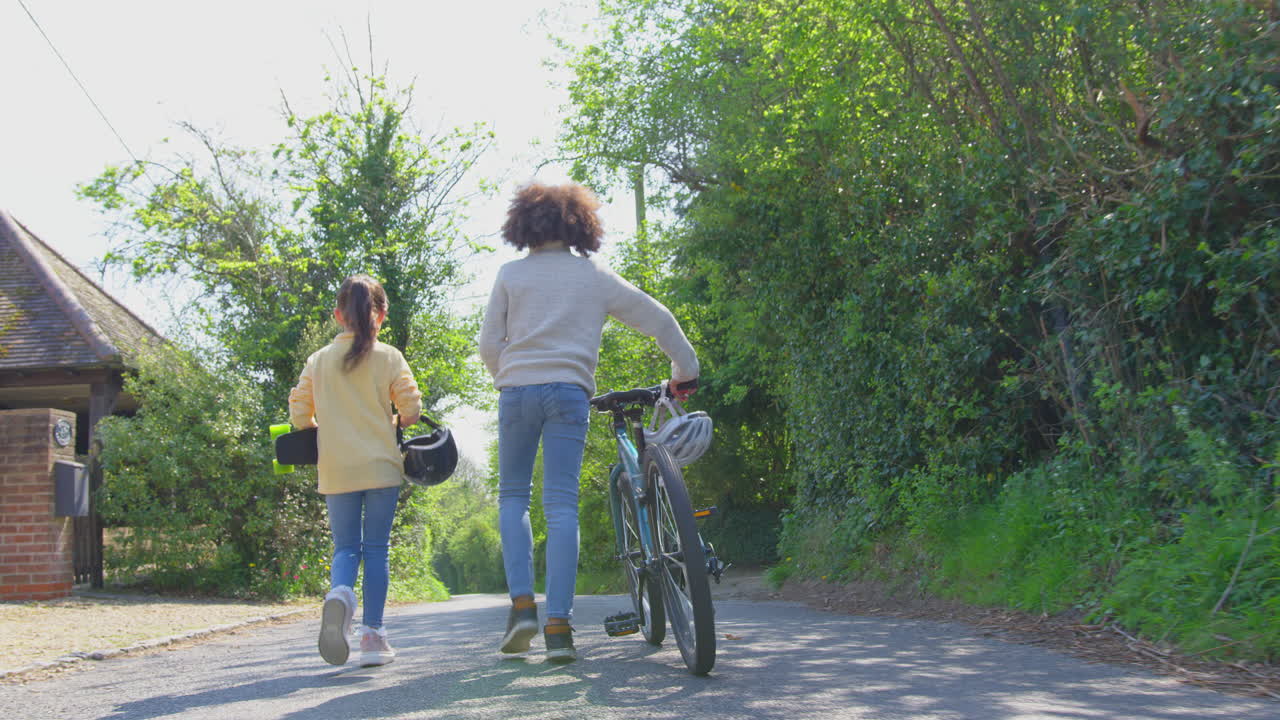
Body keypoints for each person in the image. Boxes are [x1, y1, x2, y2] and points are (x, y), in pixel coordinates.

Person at [479, 181, 699, 663]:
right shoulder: (592, 275)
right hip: (568, 393)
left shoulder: (510, 275)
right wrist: (686, 370)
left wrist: (510, 377)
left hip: (516, 393)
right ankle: (559, 626)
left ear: (523, 225)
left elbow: (489, 346)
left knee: (513, 496)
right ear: (579, 224)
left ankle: (521, 607)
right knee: (561, 504)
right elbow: (657, 319)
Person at [288, 274, 422, 667]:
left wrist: (324, 428)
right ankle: (373, 637)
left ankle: (340, 595)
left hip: (337, 468)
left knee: (346, 547)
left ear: (337, 315)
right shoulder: (390, 356)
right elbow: (411, 410)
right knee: (377, 549)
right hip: (381, 467)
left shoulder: (318, 361)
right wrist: (394, 422)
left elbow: (299, 416)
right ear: (380, 316)